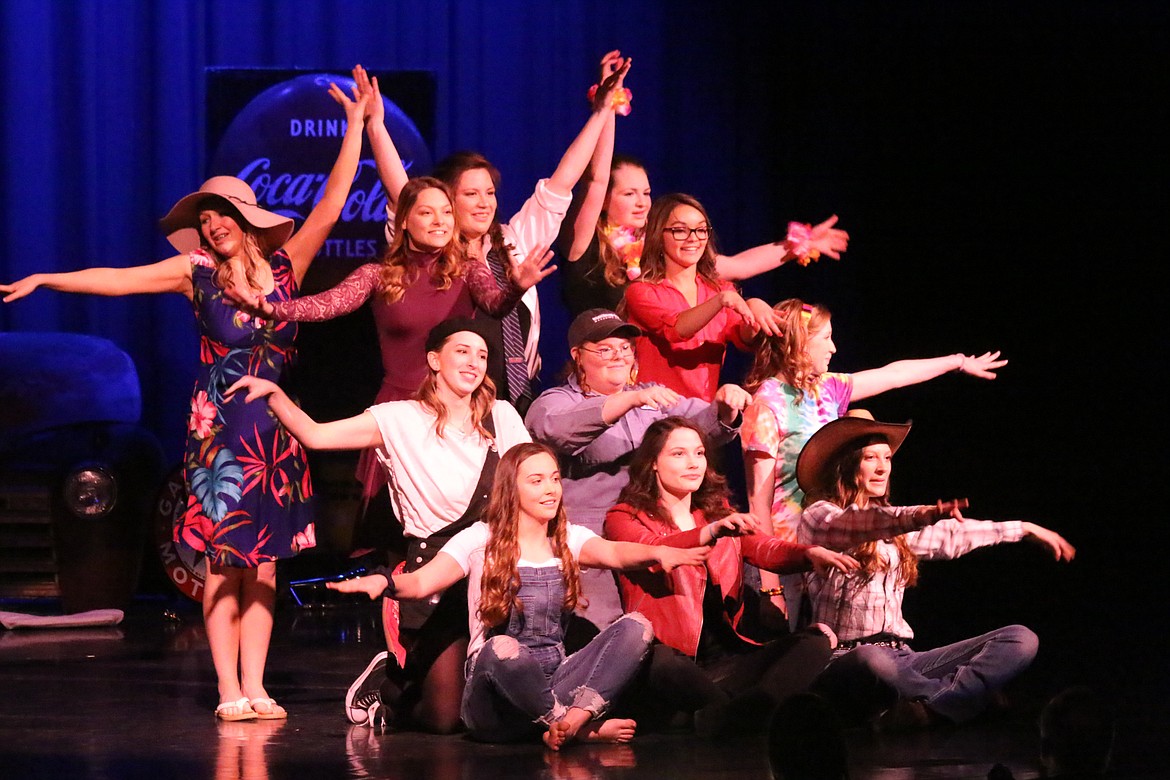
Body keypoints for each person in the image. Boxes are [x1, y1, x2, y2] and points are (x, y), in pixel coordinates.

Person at [1, 82, 368, 722]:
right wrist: (45, 277)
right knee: (224, 564)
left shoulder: (288, 269)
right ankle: (228, 688)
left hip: (276, 437)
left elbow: (334, 203)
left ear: (250, 217)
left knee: (265, 570)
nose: (213, 224)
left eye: (222, 213)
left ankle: (256, 683)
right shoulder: (193, 272)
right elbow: (114, 281)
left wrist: (359, 124)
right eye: (205, 217)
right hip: (222, 434)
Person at [229, 67, 553, 513]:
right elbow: (325, 305)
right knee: (393, 536)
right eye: (428, 213)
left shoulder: (469, 268)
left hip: (459, 410)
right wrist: (268, 307)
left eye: (446, 212)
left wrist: (515, 284)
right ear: (404, 221)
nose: (440, 220)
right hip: (400, 414)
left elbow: (496, 304)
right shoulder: (378, 274)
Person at [226, 318, 530, 733]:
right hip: (432, 577)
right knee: (444, 719)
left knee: (500, 706)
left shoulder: (503, 418)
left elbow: (528, 483)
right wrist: (277, 397)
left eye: (481, 355)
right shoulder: (398, 419)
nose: (474, 362)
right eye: (462, 351)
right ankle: (389, 685)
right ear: (434, 359)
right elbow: (316, 436)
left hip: (492, 572)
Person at [325, 442, 712, 749]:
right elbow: (425, 582)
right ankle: (576, 729)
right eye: (537, 480)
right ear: (512, 487)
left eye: (555, 479)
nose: (550, 489)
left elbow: (614, 553)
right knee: (504, 648)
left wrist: (658, 552)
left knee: (635, 627)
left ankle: (572, 719)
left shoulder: (567, 539)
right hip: (494, 701)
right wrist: (386, 584)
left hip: (555, 679)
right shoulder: (481, 539)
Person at [375, 57, 633, 413]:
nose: (484, 203)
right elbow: (402, 195)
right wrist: (375, 126)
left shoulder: (515, 241)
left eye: (490, 193)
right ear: (446, 199)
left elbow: (565, 179)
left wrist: (602, 110)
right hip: (448, 404)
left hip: (518, 401)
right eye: (471, 194)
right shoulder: (429, 251)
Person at [795, 411, 1076, 729]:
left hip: (903, 659)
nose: (882, 466)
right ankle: (965, 702)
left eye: (886, 457)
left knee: (1020, 640)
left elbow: (953, 535)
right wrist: (922, 514)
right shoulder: (820, 517)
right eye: (870, 457)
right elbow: (859, 523)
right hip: (847, 661)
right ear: (844, 464)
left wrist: (1023, 528)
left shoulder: (894, 524)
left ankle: (934, 707)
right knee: (870, 658)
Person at [741, 297, 1008, 627]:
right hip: (787, 560)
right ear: (798, 341)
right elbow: (759, 503)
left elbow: (893, 374)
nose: (834, 347)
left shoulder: (828, 388)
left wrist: (956, 362)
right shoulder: (766, 405)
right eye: (825, 337)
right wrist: (771, 589)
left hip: (829, 547)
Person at [604, 417, 857, 736]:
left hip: (728, 664)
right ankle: (747, 716)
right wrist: (707, 533)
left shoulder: (714, 512)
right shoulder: (624, 517)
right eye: (679, 454)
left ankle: (728, 718)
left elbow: (763, 546)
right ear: (653, 463)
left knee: (816, 642)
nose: (693, 463)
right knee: (661, 661)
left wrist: (807, 554)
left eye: (699, 453)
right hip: (674, 666)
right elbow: (654, 549)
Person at [558, 51, 849, 316]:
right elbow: (597, 180)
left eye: (646, 193)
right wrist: (608, 106)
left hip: (643, 371)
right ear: (606, 200)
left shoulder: (655, 250)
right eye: (629, 193)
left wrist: (801, 242)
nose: (642, 202)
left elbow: (739, 266)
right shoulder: (583, 243)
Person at [525, 308, 751, 631]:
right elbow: (559, 430)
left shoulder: (648, 397)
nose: (619, 356)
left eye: (625, 348)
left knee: (656, 634)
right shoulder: (555, 402)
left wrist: (725, 408)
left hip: (649, 536)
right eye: (605, 349)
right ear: (577, 355)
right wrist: (628, 401)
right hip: (593, 548)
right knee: (604, 636)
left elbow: (696, 422)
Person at [622, 192, 783, 403]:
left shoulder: (719, 290)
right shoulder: (642, 291)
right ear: (658, 236)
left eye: (700, 230)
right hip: (653, 414)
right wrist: (719, 302)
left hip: (700, 414)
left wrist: (754, 308)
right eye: (680, 230)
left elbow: (744, 338)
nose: (693, 238)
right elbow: (675, 329)